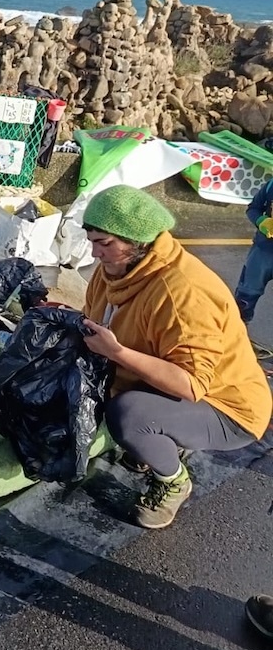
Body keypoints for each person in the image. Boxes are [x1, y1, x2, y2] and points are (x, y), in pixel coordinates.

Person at [80, 185, 272, 530]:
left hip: (228, 409)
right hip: (171, 387)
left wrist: (117, 352)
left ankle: (173, 481)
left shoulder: (181, 292)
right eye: (91, 240)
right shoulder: (116, 271)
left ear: (137, 241)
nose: (95, 253)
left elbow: (191, 384)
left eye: (104, 243)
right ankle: (162, 436)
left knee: (128, 416)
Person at [234, 176, 273, 324]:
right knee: (245, 297)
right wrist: (261, 221)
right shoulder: (271, 185)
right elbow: (253, 208)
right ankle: (238, 331)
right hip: (262, 252)